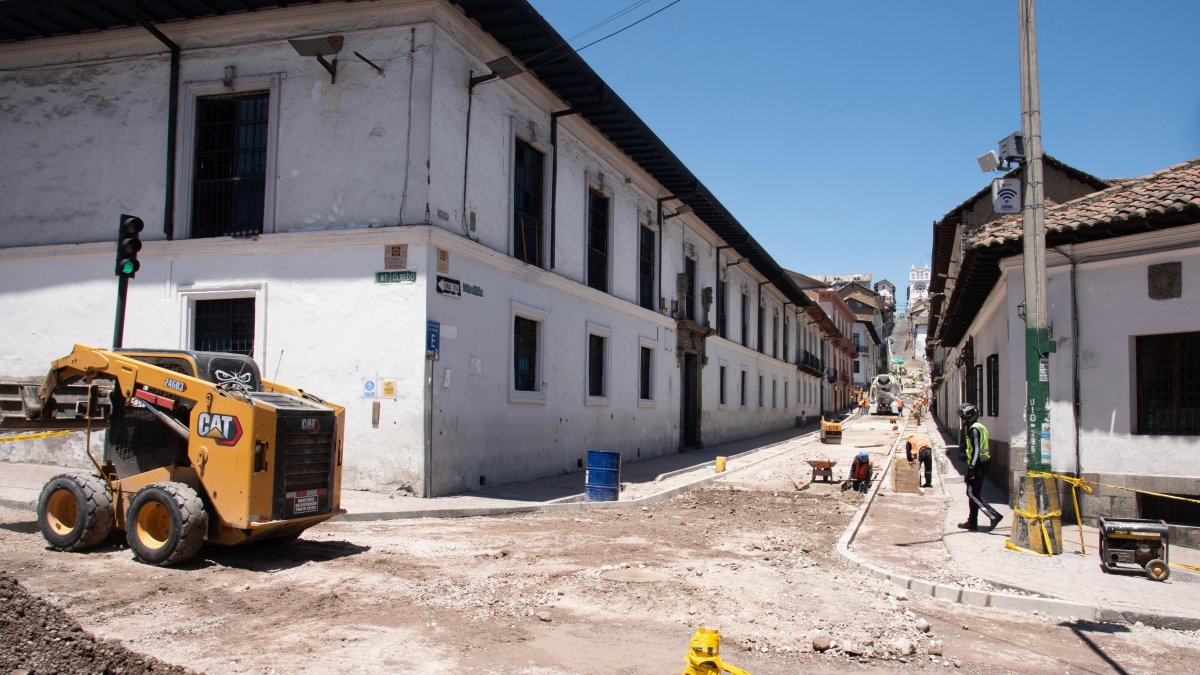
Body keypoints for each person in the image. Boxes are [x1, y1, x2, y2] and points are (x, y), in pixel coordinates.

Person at [957, 404, 1002, 531]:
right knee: (974, 493)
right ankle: (972, 522)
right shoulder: (979, 427)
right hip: (981, 463)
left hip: (977, 465)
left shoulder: (974, 429)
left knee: (971, 493)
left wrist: (971, 467)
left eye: (964, 418)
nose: (963, 421)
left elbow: (976, 450)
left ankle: (993, 515)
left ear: (970, 417)